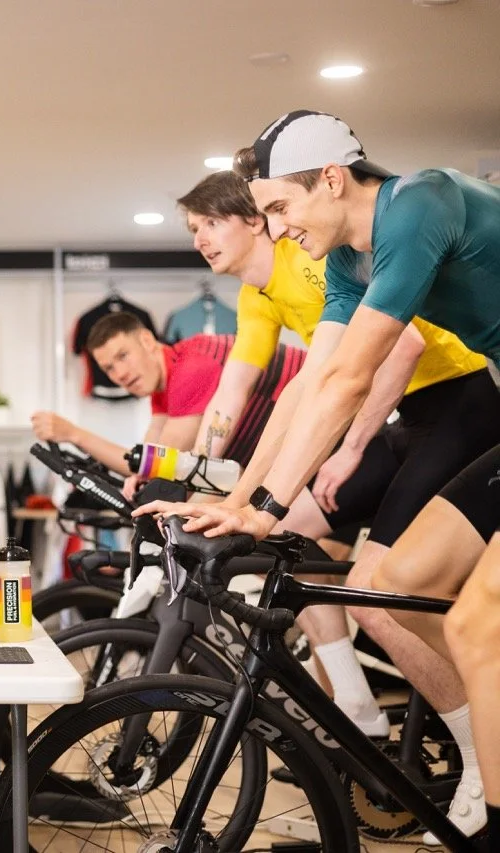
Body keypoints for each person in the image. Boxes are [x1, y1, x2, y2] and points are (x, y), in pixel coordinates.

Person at [137, 110, 500, 842]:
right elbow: (311, 383)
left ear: (332, 179)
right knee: (399, 585)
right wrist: (243, 499)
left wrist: (269, 506)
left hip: (464, 406)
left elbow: (355, 378)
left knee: (474, 619)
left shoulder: (422, 202)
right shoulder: (346, 262)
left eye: (279, 208)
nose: (276, 227)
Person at [172, 168, 495, 738]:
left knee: (378, 594)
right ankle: (353, 699)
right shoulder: (274, 289)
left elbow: (389, 355)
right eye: (193, 228)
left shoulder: (331, 249)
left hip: (455, 403)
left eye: (212, 222)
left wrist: (347, 449)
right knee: (291, 534)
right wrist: (227, 494)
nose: (200, 238)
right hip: (404, 419)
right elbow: (278, 388)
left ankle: (472, 750)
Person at [31, 313, 303, 477]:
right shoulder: (165, 382)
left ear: (148, 341)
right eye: (109, 368)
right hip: (303, 438)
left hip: (328, 424)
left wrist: (73, 434)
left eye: (123, 356)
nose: (120, 374)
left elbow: (153, 467)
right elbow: (146, 458)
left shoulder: (190, 368)